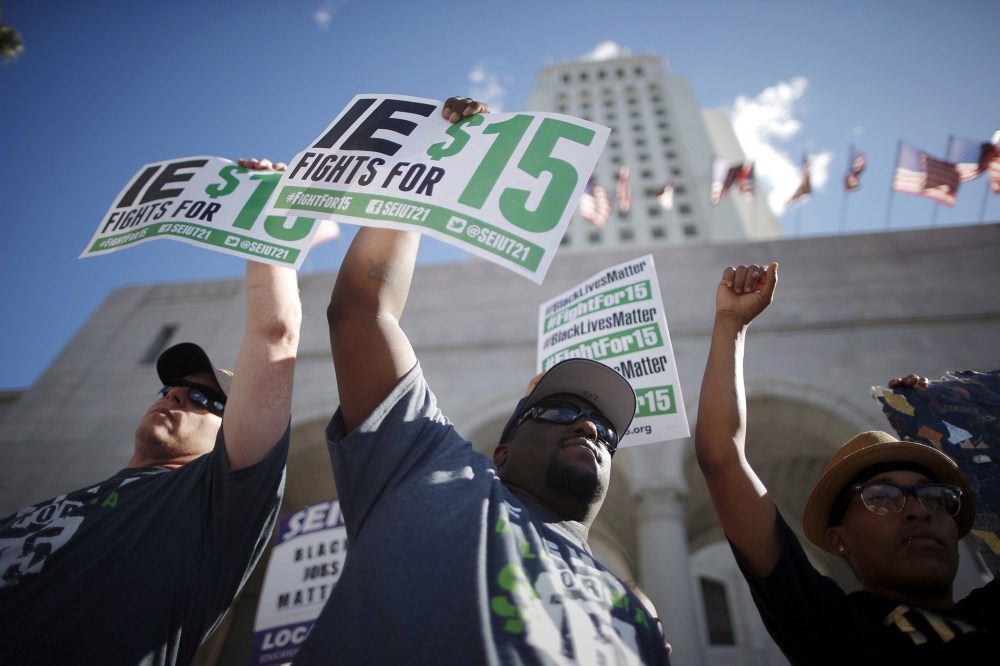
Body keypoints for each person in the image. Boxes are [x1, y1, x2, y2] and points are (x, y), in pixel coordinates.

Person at [291, 97, 671, 664]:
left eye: (605, 430)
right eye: (561, 412)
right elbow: (361, 311)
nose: (590, 425)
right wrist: (434, 163)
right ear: (502, 449)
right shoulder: (432, 475)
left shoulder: (634, 614)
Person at [0, 158, 301, 665]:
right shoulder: (60, 502)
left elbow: (274, 337)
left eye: (205, 399)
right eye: (173, 386)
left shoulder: (212, 505)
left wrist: (268, 219)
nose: (177, 396)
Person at [694, 262, 999, 665]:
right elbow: (723, 460)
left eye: (936, 498)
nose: (918, 512)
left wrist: (964, 415)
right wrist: (731, 323)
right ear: (839, 540)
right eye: (884, 497)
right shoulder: (838, 630)